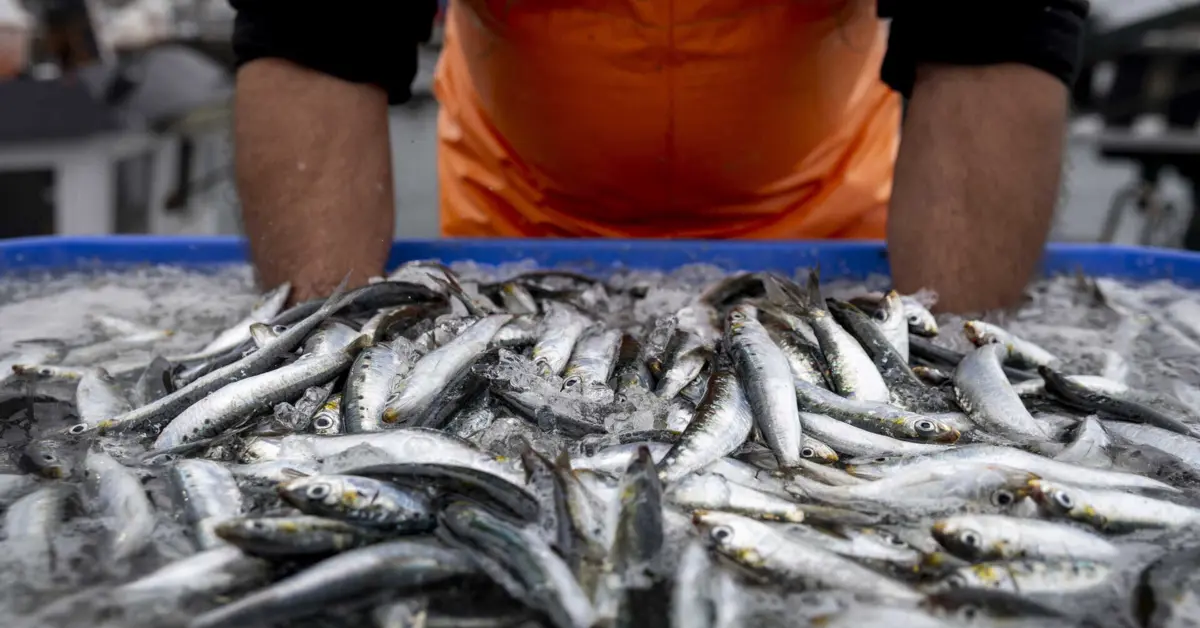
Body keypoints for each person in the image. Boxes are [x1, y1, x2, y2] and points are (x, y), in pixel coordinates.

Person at [228, 1, 1088, 312]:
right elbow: (319, 37)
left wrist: (947, 365)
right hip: (520, 239)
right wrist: (310, 362)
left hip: (825, 247)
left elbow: (994, 34)